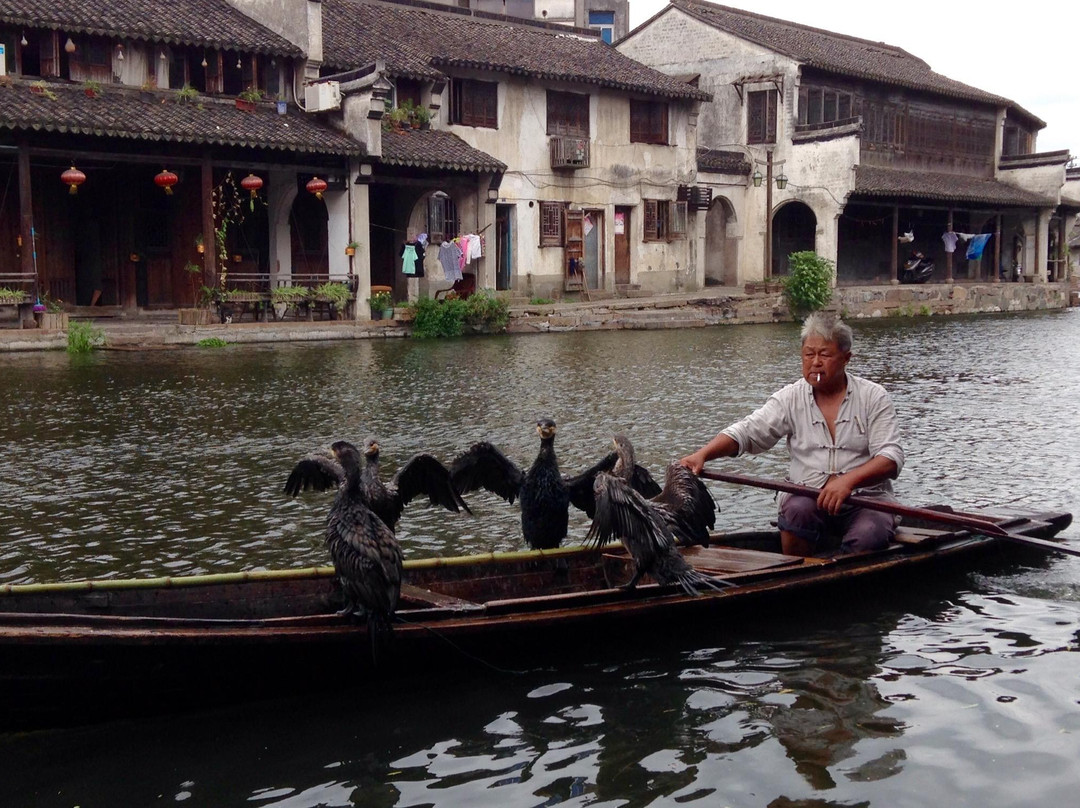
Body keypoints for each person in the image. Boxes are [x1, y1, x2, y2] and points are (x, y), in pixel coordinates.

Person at [680, 312, 904, 557]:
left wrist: (847, 482)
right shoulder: (791, 397)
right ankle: (797, 570)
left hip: (866, 500)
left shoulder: (874, 397)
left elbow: (890, 458)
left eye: (825, 355)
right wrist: (702, 455)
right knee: (796, 511)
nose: (815, 362)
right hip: (808, 495)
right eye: (809, 354)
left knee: (869, 534)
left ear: (846, 358)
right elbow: (747, 431)